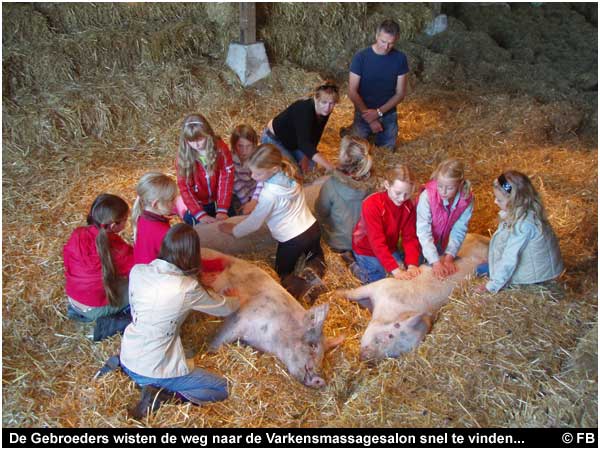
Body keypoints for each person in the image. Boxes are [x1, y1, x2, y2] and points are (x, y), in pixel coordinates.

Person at [120, 223, 240, 420]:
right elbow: (224, 308)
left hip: (128, 355)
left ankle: (145, 383)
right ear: (192, 254)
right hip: (154, 368)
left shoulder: (138, 271)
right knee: (222, 388)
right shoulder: (187, 286)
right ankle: (165, 395)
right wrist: (235, 298)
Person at [219, 144, 327, 303]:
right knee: (315, 254)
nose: (253, 176)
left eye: (258, 173)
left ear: (274, 169)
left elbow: (255, 222)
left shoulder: (269, 194)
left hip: (293, 240)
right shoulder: (290, 177)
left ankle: (303, 288)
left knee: (282, 272)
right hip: (312, 227)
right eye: (252, 171)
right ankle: (315, 270)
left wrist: (234, 230)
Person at [474, 171, 564, 294]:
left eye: (499, 200)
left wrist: (492, 286)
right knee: (488, 266)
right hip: (545, 269)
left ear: (513, 201)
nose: (495, 202)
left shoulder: (524, 225)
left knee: (480, 270)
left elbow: (510, 258)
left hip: (535, 277)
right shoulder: (528, 210)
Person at [63, 193, 134, 340]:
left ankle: (81, 312)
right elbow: (139, 266)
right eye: (125, 220)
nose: (126, 223)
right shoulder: (117, 250)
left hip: (73, 298)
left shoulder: (78, 234)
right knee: (138, 290)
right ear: (114, 225)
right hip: (93, 308)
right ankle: (111, 322)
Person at [351, 164, 421, 284]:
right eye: (398, 193)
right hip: (366, 248)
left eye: (407, 194)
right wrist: (395, 270)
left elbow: (409, 237)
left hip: (389, 246)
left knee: (403, 272)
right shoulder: (371, 204)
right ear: (387, 184)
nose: (402, 198)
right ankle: (353, 266)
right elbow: (376, 241)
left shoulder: (408, 205)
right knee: (379, 279)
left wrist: (412, 264)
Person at [348, 19, 409, 150]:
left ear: (397, 39)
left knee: (387, 150)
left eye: (391, 43)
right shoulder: (361, 57)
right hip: (363, 111)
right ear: (376, 36)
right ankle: (351, 131)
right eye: (383, 41)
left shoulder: (400, 58)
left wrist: (379, 113)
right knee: (354, 149)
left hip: (388, 112)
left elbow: (400, 93)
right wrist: (370, 118)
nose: (386, 47)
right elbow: (352, 91)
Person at [315, 135, 374, 257]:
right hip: (365, 242)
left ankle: (345, 256)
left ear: (343, 157)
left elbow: (321, 211)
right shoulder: (373, 184)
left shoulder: (330, 184)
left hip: (339, 242)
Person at [261, 81, 338, 174]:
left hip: (294, 141)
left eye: (331, 103)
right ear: (316, 98)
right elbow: (304, 144)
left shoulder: (324, 111)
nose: (328, 107)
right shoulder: (304, 110)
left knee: (310, 167)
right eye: (324, 102)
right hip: (275, 139)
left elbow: (316, 134)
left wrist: (306, 157)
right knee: (294, 172)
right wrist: (329, 166)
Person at [416, 158, 474, 279]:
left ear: (460, 184)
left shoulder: (466, 199)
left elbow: (459, 229)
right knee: (418, 271)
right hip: (417, 241)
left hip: (442, 241)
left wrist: (449, 256)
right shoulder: (427, 196)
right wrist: (435, 262)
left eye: (449, 188)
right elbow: (423, 230)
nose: (443, 191)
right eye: (440, 186)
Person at [175, 113, 235, 225]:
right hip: (199, 203)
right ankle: (182, 208)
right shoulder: (182, 157)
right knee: (194, 228)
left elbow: (226, 178)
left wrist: (222, 208)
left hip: (219, 199)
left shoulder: (220, 149)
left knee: (231, 225)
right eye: (191, 141)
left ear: (208, 134)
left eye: (200, 139)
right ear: (185, 140)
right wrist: (200, 214)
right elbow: (185, 187)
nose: (196, 145)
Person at [132, 172, 178, 265]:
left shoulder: (141, 215)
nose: (175, 203)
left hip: (142, 271)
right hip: (155, 276)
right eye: (171, 199)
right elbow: (176, 261)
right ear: (156, 204)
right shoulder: (163, 232)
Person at [230, 124, 263, 215]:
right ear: (234, 145)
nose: (244, 151)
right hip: (238, 194)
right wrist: (246, 203)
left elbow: (262, 179)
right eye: (240, 146)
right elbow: (237, 185)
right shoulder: (231, 160)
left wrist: (254, 200)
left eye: (248, 146)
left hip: (255, 190)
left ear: (254, 145)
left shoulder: (257, 155)